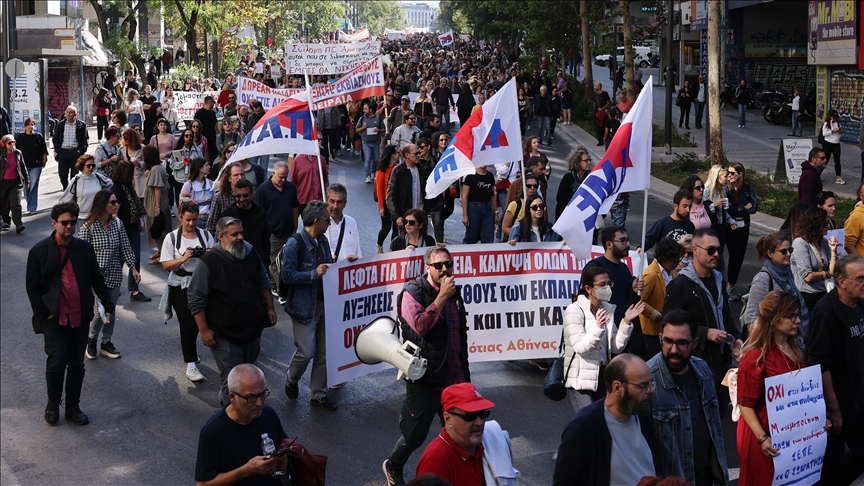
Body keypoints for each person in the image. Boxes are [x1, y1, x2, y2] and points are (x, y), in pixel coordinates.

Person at [383, 247, 470, 486]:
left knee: (459, 432)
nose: (444, 270)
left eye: (448, 264)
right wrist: (441, 297)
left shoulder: (453, 291)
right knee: (415, 435)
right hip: (426, 378)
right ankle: (394, 465)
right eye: (439, 265)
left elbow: (458, 335)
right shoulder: (413, 293)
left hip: (454, 377)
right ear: (427, 268)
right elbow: (421, 326)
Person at [26, 202, 115, 426]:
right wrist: (42, 313)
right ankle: (53, 404)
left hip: (79, 315)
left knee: (76, 364)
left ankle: (73, 407)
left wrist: (108, 304)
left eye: (73, 222)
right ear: (54, 223)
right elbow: (32, 287)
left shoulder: (84, 249)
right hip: (53, 317)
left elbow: (96, 278)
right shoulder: (38, 251)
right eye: (64, 222)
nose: (69, 226)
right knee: (57, 361)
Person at [188, 216, 276, 406]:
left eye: (241, 233)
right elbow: (196, 298)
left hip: (252, 330)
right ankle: (231, 421)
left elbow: (264, 281)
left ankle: (243, 412)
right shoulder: (209, 262)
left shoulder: (251, 254)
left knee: (249, 376)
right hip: (224, 335)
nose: (240, 237)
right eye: (234, 234)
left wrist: (270, 308)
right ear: (221, 236)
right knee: (232, 381)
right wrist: (204, 330)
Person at [664, 228, 742, 418]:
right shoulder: (680, 284)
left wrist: (736, 339)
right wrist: (704, 333)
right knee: (699, 419)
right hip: (696, 363)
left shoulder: (718, 279)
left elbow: (725, 316)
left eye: (718, 250)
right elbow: (668, 325)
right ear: (695, 250)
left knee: (719, 416)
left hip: (722, 362)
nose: (716, 254)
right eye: (710, 250)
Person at [647, 310, 729, 486]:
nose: (674, 350)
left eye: (682, 343)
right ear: (660, 337)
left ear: (695, 342)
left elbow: (714, 429)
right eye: (668, 341)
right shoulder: (646, 380)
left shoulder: (703, 370)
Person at [553, 353, 659, 486]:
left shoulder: (643, 416)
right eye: (643, 386)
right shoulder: (583, 427)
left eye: (651, 383)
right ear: (617, 388)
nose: (651, 390)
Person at [737, 291, 809, 486]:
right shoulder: (755, 356)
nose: (797, 320)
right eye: (790, 316)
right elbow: (744, 403)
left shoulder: (794, 347)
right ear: (774, 319)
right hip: (763, 433)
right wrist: (762, 438)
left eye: (797, 314)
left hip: (789, 432)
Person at [806, 254, 864, 485]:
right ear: (841, 282)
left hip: (858, 398)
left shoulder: (859, 303)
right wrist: (834, 409)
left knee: (860, 454)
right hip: (838, 402)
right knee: (832, 463)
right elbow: (820, 364)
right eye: (860, 278)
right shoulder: (826, 312)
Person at [562, 266, 645, 413]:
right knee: (588, 422)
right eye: (602, 285)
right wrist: (598, 326)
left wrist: (626, 322)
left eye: (609, 284)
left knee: (603, 421)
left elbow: (615, 348)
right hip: (580, 380)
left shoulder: (606, 309)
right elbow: (580, 347)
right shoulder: (574, 310)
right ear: (588, 288)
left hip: (602, 377)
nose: (607, 288)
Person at [281, 201, 337, 411]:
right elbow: (287, 275)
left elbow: (327, 266)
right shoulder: (295, 244)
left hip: (325, 304)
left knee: (323, 353)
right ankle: (292, 379)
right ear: (316, 221)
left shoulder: (322, 241)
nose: (329, 222)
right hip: (305, 307)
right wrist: (313, 274)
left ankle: (319, 394)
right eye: (326, 219)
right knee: (306, 352)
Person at [195, 364, 290, 484]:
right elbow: (203, 484)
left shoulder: (268, 414)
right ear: (232, 397)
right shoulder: (213, 432)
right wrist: (246, 471)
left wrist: (284, 457)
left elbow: (283, 442)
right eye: (251, 397)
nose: (259, 403)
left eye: (262, 394)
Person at [78, 190, 139, 360]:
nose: (116, 205)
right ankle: (91, 339)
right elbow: (81, 254)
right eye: (112, 202)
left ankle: (106, 342)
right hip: (95, 277)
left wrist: (133, 268)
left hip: (114, 274)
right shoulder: (88, 227)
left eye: (116, 202)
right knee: (100, 311)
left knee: (110, 309)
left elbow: (125, 247)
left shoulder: (117, 224)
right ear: (102, 205)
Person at [160, 202, 215, 382]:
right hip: (180, 284)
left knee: (206, 320)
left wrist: (207, 254)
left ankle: (192, 353)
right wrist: (183, 259)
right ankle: (191, 365)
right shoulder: (172, 238)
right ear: (180, 217)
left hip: (202, 283)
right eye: (188, 220)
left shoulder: (206, 235)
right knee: (188, 324)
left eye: (194, 220)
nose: (191, 224)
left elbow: (215, 260)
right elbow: (166, 265)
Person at [414, 383, 506, 485]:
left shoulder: (489, 440)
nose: (479, 422)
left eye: (483, 414)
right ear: (448, 419)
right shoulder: (435, 461)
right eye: (470, 416)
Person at [583, 226, 645, 352]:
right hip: (600, 332)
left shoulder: (624, 268)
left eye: (628, 240)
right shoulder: (595, 267)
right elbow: (583, 299)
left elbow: (624, 293)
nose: (627, 244)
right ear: (609, 244)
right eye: (622, 241)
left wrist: (632, 286)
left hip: (621, 332)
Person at [741, 232, 809, 338]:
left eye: (790, 250)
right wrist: (766, 345)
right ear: (770, 254)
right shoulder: (763, 279)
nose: (789, 254)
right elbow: (751, 317)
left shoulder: (788, 273)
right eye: (783, 251)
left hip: (791, 340)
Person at [253, 162, 299, 293]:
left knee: (289, 259)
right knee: (276, 262)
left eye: (285, 177)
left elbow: (295, 207)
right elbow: (258, 212)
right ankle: (282, 290)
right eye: (281, 177)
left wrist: (295, 226)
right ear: (273, 173)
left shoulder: (290, 187)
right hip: (273, 233)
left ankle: (277, 284)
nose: (283, 180)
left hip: (289, 231)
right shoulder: (263, 190)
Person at [110, 161, 150, 302]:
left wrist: (139, 219)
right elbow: (115, 212)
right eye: (132, 173)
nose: (133, 176)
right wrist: (117, 230)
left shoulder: (129, 187)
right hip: (123, 229)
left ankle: (134, 290)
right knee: (119, 260)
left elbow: (134, 206)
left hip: (132, 227)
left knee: (135, 260)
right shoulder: (117, 190)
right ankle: (113, 287)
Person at [640, 238, 686, 358]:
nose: (677, 263)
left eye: (678, 260)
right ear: (664, 258)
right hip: (651, 331)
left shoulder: (672, 270)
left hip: (666, 328)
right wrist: (656, 314)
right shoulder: (650, 275)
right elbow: (639, 302)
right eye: (674, 260)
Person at [791, 208, 838, 316]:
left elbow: (834, 270)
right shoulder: (800, 243)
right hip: (807, 298)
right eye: (826, 223)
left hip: (824, 293)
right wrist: (827, 274)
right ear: (815, 224)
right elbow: (808, 276)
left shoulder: (824, 242)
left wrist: (834, 251)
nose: (829, 226)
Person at [725, 163, 758, 300]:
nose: (729, 176)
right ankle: (723, 286)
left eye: (732, 173)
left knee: (738, 257)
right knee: (728, 256)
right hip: (728, 226)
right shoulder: (726, 189)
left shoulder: (748, 189)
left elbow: (754, 207)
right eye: (728, 173)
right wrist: (742, 208)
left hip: (743, 227)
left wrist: (737, 207)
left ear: (740, 174)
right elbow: (726, 209)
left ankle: (731, 286)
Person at [219, 179, 270, 266]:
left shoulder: (260, 212)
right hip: (235, 262)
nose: (242, 199)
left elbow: (266, 237)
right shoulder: (227, 215)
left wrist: (265, 259)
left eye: (245, 195)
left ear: (252, 195)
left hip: (257, 261)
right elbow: (221, 241)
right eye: (238, 196)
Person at [387, 144, 429, 234]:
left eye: (419, 153)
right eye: (416, 153)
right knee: (406, 243)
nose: (419, 155)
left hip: (420, 214)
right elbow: (390, 196)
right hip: (405, 216)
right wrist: (397, 216)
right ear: (407, 155)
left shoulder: (423, 170)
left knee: (421, 242)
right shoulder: (398, 171)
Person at [59, 154, 114, 220]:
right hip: (82, 217)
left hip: (98, 215)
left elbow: (110, 184)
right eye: (88, 166)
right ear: (82, 166)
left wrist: (102, 195)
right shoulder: (76, 180)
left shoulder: (97, 177)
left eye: (93, 165)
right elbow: (65, 199)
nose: (91, 168)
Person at [143, 145, 172, 263]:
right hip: (161, 201)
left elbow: (157, 189)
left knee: (157, 228)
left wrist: (156, 206)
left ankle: (162, 255)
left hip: (155, 202)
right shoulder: (158, 168)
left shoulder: (155, 170)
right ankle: (160, 251)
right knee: (160, 227)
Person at [15, 118, 48, 214]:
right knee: (26, 186)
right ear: (25, 126)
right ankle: (30, 202)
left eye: (32, 124)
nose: (30, 126)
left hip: (36, 165)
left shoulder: (38, 136)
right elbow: (17, 152)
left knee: (33, 185)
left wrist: (44, 160)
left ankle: (32, 207)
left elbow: (44, 150)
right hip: (23, 166)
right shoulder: (20, 137)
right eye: (28, 124)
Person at [52, 106, 89, 191]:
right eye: (67, 112)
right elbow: (55, 138)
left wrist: (80, 151)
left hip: (75, 153)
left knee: (75, 175)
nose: (68, 114)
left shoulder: (81, 125)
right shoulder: (61, 124)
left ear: (75, 114)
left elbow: (85, 139)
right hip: (63, 152)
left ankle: (72, 192)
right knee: (62, 175)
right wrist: (58, 150)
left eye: (71, 112)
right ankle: (66, 189)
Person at [461, 164, 497, 244]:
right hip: (473, 208)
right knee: (471, 235)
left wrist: (496, 212)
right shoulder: (470, 176)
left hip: (487, 208)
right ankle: (467, 254)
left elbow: (493, 195)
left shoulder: (490, 176)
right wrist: (465, 215)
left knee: (488, 235)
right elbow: (465, 196)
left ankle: (486, 254)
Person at [325, 183, 361, 262]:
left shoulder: (352, 223)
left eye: (339, 202)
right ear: (326, 201)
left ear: (345, 203)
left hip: (347, 272)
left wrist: (355, 259)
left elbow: (357, 252)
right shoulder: (320, 224)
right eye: (332, 201)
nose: (335, 206)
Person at [0, 134, 29, 233]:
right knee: (4, 205)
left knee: (16, 203)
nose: (12, 144)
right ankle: (6, 222)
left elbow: (23, 168)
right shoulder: (1, 155)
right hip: (3, 183)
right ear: (4, 145)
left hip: (16, 182)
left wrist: (27, 180)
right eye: (9, 143)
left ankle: (18, 224)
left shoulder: (18, 153)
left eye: (13, 142)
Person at [376, 144, 400, 253]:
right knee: (386, 228)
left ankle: (393, 250)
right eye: (397, 152)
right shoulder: (382, 170)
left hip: (397, 202)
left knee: (396, 227)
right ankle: (379, 245)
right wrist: (381, 207)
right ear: (391, 155)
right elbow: (379, 190)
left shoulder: (398, 167)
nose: (399, 154)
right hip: (386, 203)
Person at [501, 172, 539, 240]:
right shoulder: (515, 205)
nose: (532, 188)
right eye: (529, 186)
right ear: (523, 187)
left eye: (535, 186)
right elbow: (505, 227)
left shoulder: (540, 205)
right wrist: (517, 236)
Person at [556, 147, 590, 219]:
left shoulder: (590, 178)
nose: (589, 162)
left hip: (583, 217)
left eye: (589, 160)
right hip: (567, 217)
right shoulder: (568, 177)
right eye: (586, 160)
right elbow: (560, 198)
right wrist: (578, 194)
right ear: (577, 162)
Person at [356, 102, 385, 184]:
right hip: (366, 142)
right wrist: (363, 128)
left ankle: (373, 172)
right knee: (368, 159)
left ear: (370, 110)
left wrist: (378, 130)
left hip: (376, 142)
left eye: (365, 109)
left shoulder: (378, 118)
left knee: (376, 159)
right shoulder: (362, 119)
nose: (364, 110)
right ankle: (367, 175)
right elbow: (357, 130)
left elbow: (383, 129)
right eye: (364, 109)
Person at [821, 109, 845, 185]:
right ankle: (817, 174)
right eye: (833, 117)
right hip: (828, 143)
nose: (834, 119)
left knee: (837, 160)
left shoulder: (837, 123)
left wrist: (840, 132)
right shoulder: (826, 124)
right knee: (825, 160)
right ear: (829, 116)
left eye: (835, 117)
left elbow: (841, 134)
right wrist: (832, 131)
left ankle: (838, 177)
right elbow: (824, 134)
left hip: (836, 143)